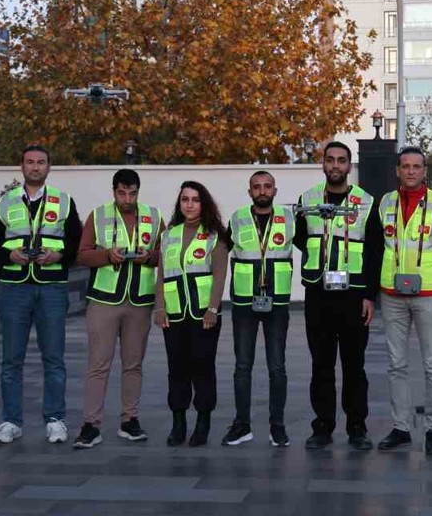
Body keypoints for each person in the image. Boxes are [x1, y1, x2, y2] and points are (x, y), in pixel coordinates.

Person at [0, 145, 82, 445]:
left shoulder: (64, 201)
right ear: (21, 167)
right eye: (29, 162)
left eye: (41, 162)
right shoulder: (5, 202)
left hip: (51, 286)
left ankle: (55, 419)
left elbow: (76, 243)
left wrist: (59, 255)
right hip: (14, 286)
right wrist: (9, 256)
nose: (35, 167)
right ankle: (11, 421)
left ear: (49, 167)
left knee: (53, 358)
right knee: (11, 360)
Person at [294, 141, 381, 451]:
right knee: (321, 365)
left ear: (349, 165)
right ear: (323, 164)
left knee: (354, 366)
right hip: (318, 294)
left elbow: (374, 251)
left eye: (341, 161)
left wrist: (369, 296)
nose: (335, 165)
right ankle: (323, 426)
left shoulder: (366, 202)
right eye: (330, 160)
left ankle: (357, 426)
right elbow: (302, 239)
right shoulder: (309, 199)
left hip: (353, 296)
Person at [377, 146, 432, 455]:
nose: (411, 171)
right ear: (397, 170)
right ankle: (401, 427)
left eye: (417, 166)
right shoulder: (385, 202)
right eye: (405, 166)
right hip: (392, 295)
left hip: (430, 297)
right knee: (396, 365)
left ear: (425, 171)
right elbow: (379, 248)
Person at [73, 168, 164, 448]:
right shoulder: (98, 215)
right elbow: (81, 255)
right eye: (122, 192)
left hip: (139, 300)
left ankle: (129, 420)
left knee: (133, 364)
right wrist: (107, 255)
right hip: (104, 300)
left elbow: (167, 254)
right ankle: (91, 424)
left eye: (132, 192)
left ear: (139, 190)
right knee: (98, 364)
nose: (127, 198)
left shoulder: (154, 216)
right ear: (113, 191)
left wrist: (149, 257)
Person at [221, 171, 296, 447]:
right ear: (249, 191)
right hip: (243, 302)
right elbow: (220, 252)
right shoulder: (237, 218)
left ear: (275, 190)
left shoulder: (289, 219)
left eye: (267, 186)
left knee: (277, 367)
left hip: (277, 301)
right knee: (242, 366)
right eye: (257, 187)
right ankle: (242, 425)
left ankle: (277, 426)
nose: (262, 191)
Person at [154, 181, 229, 447]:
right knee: (177, 368)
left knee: (202, 366)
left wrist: (212, 309)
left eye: (195, 200)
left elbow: (219, 275)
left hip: (203, 315)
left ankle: (203, 422)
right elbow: (162, 274)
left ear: (203, 203)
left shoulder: (214, 235)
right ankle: (178, 422)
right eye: (185, 199)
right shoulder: (168, 234)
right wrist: (159, 307)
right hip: (173, 315)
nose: (189, 204)